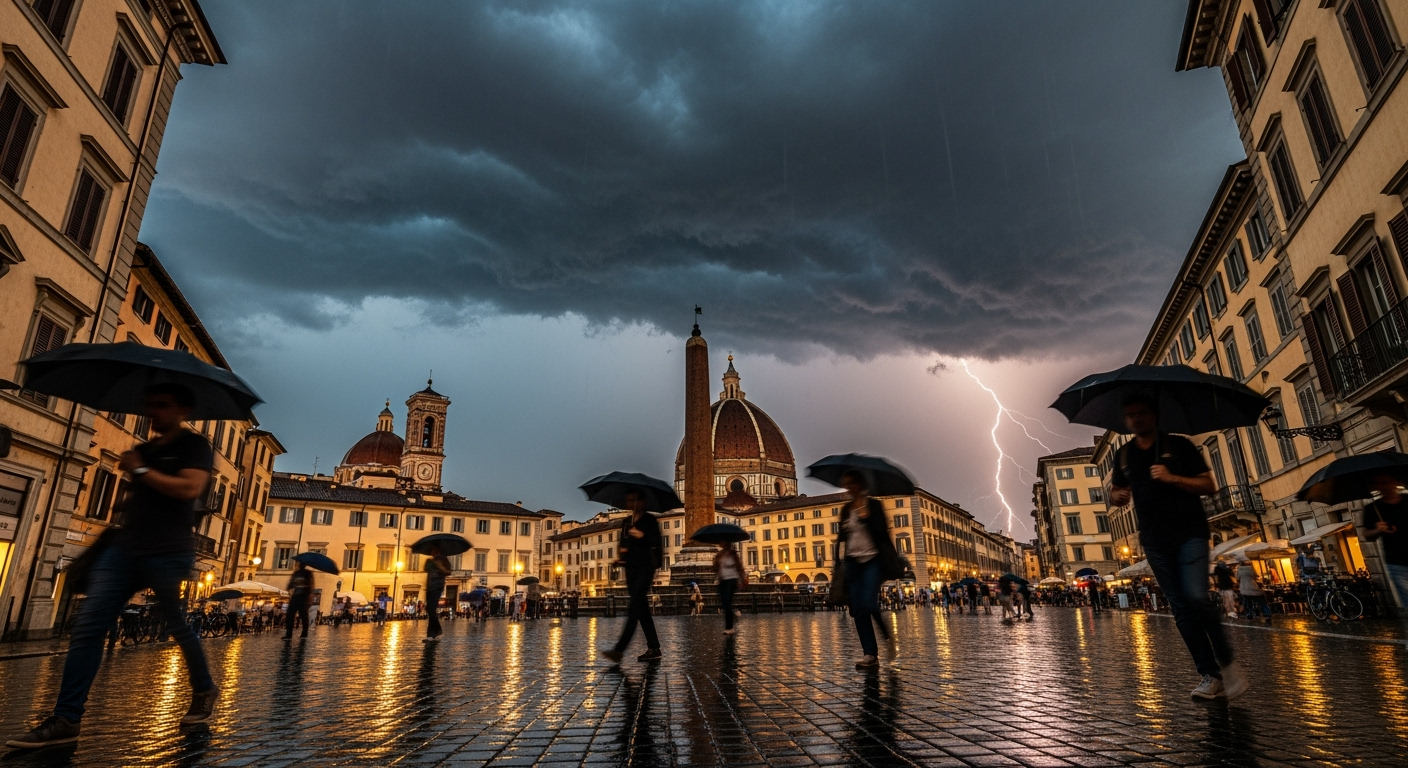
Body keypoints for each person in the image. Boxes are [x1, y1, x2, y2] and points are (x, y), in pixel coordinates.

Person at [8, 385, 218, 749]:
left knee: (177, 626)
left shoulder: (194, 446)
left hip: (168, 551)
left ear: (182, 410)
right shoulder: (146, 449)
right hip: (124, 548)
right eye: (149, 405)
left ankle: (204, 688)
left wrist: (141, 469)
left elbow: (188, 489)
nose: (153, 412)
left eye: (162, 405)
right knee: (88, 628)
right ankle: (67, 718)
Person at [1110, 394, 1246, 701]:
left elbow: (1208, 485)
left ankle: (1227, 664)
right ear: (1125, 420)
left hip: (1190, 533)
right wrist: (1117, 497)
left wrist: (1172, 478)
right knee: (1180, 608)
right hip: (1154, 540)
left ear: (1154, 415)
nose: (1136, 418)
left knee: (1196, 596)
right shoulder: (1124, 455)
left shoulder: (1179, 446)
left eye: (1141, 412)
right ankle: (1210, 675)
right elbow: (1116, 491)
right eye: (1130, 414)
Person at [838, 470, 902, 668]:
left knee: (868, 604)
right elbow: (841, 539)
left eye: (851, 483)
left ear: (860, 484)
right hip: (852, 562)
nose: (848, 487)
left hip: (872, 561)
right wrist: (837, 563)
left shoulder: (874, 505)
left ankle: (888, 638)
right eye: (846, 484)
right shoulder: (846, 509)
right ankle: (870, 654)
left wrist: (866, 518)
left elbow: (883, 533)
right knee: (858, 609)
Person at [601, 490, 663, 664]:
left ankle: (619, 650)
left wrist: (642, 535)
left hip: (645, 568)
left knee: (634, 607)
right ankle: (654, 647)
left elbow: (656, 542)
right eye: (629, 500)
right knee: (642, 610)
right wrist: (621, 558)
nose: (631, 503)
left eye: (634, 499)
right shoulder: (626, 522)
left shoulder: (650, 520)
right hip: (630, 569)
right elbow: (624, 544)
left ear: (643, 501)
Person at [1361, 473, 1408, 608]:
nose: (1384, 486)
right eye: (1379, 483)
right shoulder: (1373, 508)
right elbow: (1367, 535)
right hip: (1396, 562)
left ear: (1396, 482)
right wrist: (1377, 529)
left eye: (1386, 482)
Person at [714, 544, 747, 635]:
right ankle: (732, 617)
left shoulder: (734, 555)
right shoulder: (720, 555)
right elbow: (716, 567)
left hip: (732, 580)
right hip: (722, 580)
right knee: (725, 603)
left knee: (727, 602)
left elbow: (739, 568)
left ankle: (729, 627)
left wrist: (741, 579)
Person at [423, 545, 451, 641]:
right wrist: (429, 563)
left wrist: (440, 566)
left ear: (437, 550)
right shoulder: (431, 560)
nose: (432, 551)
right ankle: (435, 632)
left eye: (433, 549)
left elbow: (448, 572)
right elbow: (426, 570)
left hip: (437, 586)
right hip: (430, 586)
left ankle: (432, 633)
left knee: (431, 609)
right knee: (429, 609)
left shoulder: (443, 559)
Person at [1235, 556, 1271, 622]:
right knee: (1261, 602)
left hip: (1245, 589)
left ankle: (1250, 615)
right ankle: (1267, 614)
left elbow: (1237, 578)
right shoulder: (1251, 568)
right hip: (1254, 588)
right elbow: (1255, 576)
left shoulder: (1239, 570)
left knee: (1248, 604)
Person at [285, 562, 314, 638]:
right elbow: (291, 583)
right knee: (290, 614)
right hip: (296, 595)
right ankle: (289, 633)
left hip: (303, 596)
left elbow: (311, 585)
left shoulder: (307, 574)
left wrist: (309, 595)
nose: (300, 566)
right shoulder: (296, 573)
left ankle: (304, 633)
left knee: (303, 615)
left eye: (301, 564)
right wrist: (289, 586)